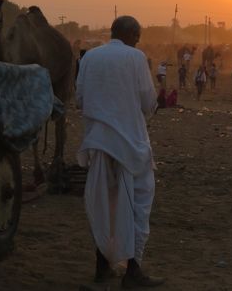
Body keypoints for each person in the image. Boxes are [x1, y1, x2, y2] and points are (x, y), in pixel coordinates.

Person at [76, 16, 165, 288]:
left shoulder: (90, 57)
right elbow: (148, 101)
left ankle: (101, 268)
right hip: (131, 146)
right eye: (137, 35)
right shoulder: (136, 58)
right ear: (131, 34)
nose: (138, 40)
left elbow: (79, 98)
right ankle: (132, 270)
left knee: (104, 205)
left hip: (99, 144)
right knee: (138, 206)